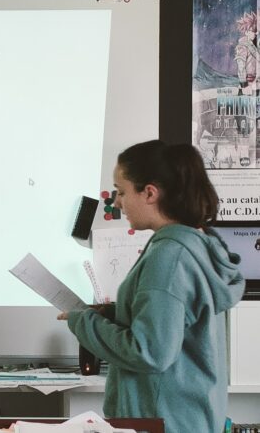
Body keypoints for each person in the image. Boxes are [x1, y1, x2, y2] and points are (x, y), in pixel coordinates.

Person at [57, 140, 245, 433]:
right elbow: (175, 321)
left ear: (149, 193)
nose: (117, 203)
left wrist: (85, 323)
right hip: (189, 421)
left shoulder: (169, 257)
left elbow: (148, 351)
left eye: (121, 192)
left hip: (162, 423)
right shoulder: (197, 246)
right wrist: (113, 313)